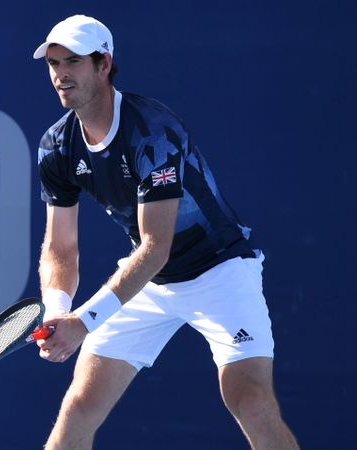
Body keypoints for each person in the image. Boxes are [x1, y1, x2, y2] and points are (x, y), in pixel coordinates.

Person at [31, 15, 299, 449]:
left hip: (220, 270)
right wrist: (57, 310)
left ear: (103, 65)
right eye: (54, 63)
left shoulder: (152, 131)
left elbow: (157, 245)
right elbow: (60, 247)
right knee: (80, 405)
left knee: (247, 397)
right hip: (149, 283)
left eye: (73, 62)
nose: (61, 74)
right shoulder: (56, 146)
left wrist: (84, 320)